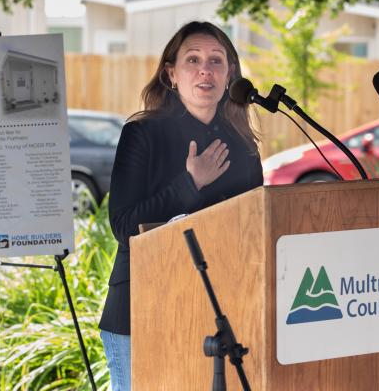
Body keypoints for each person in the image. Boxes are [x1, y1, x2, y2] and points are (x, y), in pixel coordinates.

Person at [99, 21, 263, 390]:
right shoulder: (141, 134)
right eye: (193, 59)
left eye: (216, 61)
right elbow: (124, 227)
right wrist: (190, 184)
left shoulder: (243, 146)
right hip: (141, 314)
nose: (205, 69)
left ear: (229, 75)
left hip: (217, 313)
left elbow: (255, 227)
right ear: (171, 74)